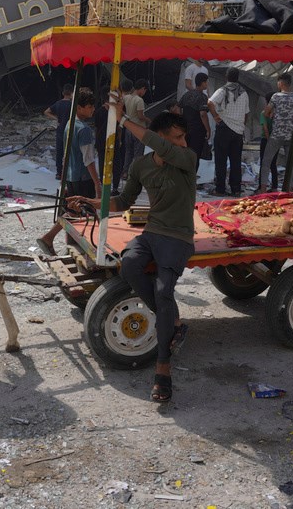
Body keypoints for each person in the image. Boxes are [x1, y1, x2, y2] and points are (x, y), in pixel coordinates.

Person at [68, 109, 197, 403]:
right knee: (129, 265)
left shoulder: (187, 161)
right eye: (177, 137)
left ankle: (162, 368)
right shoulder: (142, 166)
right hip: (152, 234)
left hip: (178, 237)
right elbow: (124, 201)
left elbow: (164, 147)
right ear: (160, 137)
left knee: (164, 291)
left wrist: (124, 120)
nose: (183, 142)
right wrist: (91, 201)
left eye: (184, 136)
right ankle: (173, 323)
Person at [36, 89, 100, 256]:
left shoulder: (69, 125)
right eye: (89, 106)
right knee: (85, 213)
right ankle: (79, 247)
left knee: (72, 211)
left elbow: (65, 155)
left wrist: (64, 180)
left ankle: (65, 244)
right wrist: (97, 182)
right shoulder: (84, 130)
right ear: (79, 107)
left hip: (72, 176)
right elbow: (88, 160)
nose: (93, 109)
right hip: (83, 178)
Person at [207, 67, 249, 196]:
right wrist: (241, 125)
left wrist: (215, 116)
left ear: (226, 77)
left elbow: (210, 102)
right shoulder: (244, 93)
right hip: (238, 131)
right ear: (238, 78)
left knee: (221, 160)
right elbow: (247, 113)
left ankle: (220, 189)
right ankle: (236, 189)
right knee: (236, 161)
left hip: (224, 127)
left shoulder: (223, 90)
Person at [258, 73, 293, 191]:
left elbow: (265, 112)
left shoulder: (276, 96)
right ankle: (289, 189)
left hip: (276, 134)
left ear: (280, 83)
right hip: (291, 134)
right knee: (290, 163)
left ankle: (263, 189)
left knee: (266, 161)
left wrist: (273, 113)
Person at [43, 84, 73, 180]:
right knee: (70, 151)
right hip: (70, 130)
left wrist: (56, 118)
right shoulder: (73, 105)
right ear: (72, 93)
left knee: (59, 152)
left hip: (60, 130)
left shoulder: (58, 103)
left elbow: (46, 111)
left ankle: (59, 173)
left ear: (63, 93)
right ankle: (69, 172)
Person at [179, 72, 211, 161]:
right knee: (195, 155)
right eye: (206, 82)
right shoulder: (202, 97)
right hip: (197, 130)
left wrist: (181, 120)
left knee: (185, 153)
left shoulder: (187, 94)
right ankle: (192, 174)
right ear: (202, 83)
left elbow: (178, 107)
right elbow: (203, 114)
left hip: (185, 129)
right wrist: (208, 130)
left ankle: (185, 174)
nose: (207, 84)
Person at [122, 79, 150, 178]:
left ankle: (125, 172)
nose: (144, 93)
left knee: (128, 152)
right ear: (142, 88)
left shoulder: (126, 97)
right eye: (145, 91)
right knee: (138, 154)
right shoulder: (139, 100)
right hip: (138, 130)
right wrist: (148, 120)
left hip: (128, 128)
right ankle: (136, 175)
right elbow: (140, 116)